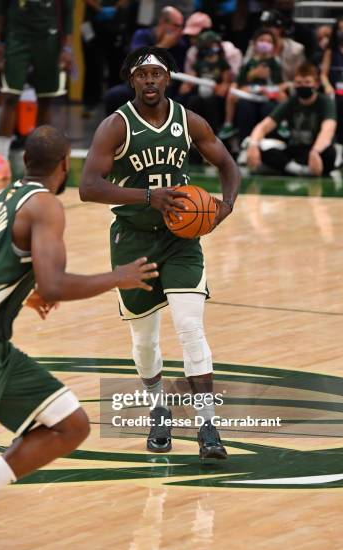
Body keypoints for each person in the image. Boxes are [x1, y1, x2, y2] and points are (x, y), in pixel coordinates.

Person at [0, 125, 158, 550]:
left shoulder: (6, 197)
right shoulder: (46, 205)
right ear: (65, 167)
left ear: (25, 162)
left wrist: (2, 286)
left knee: (69, 424)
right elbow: (56, 285)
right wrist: (118, 276)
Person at [79, 47, 240, 459]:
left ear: (168, 79)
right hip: (133, 240)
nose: (150, 81)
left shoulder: (189, 121)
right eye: (142, 74)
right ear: (132, 81)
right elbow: (89, 187)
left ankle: (207, 426)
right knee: (145, 339)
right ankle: (158, 410)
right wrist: (147, 196)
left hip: (180, 241)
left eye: (157, 74)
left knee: (190, 328)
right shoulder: (115, 127)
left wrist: (225, 206)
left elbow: (227, 164)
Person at [0, 0, 75, 181]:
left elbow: (68, 13)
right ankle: (1, 160)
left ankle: (39, 161)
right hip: (17, 37)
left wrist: (68, 48)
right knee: (9, 96)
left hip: (49, 38)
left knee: (45, 100)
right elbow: (0, 10)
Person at [246, 62, 337, 176]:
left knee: (330, 153)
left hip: (315, 149)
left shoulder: (325, 102)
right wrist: (253, 145)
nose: (303, 86)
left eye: (307, 82)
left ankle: (289, 168)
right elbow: (263, 126)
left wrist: (315, 152)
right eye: (299, 82)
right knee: (265, 151)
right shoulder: (291, 102)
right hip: (295, 149)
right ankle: (299, 170)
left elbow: (328, 130)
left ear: (316, 84)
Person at [104, 6, 187, 116]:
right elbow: (138, 60)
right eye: (176, 26)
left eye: (181, 27)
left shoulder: (180, 44)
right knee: (113, 95)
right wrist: (164, 46)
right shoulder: (143, 35)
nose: (179, 31)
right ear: (163, 22)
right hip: (138, 84)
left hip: (167, 87)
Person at [219, 28, 284, 142]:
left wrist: (267, 84)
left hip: (268, 94)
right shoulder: (249, 62)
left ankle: (284, 123)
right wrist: (251, 75)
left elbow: (278, 84)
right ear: (255, 43)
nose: (265, 44)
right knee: (237, 100)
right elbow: (240, 81)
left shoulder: (275, 63)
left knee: (280, 99)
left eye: (269, 41)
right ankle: (228, 124)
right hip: (249, 92)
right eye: (262, 40)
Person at [321, 15, 343, 159]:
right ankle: (337, 146)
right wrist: (327, 86)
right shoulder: (330, 51)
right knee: (339, 104)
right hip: (335, 92)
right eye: (340, 29)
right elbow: (323, 75)